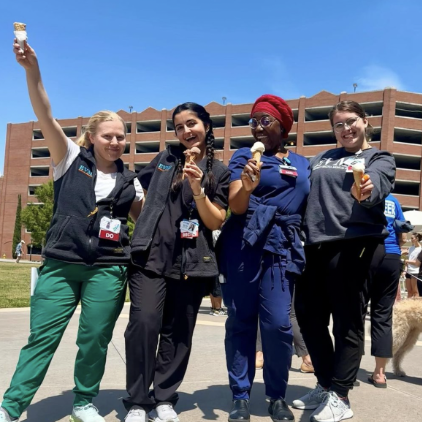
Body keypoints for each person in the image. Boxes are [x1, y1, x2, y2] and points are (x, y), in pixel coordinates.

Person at [0, 41, 144, 422]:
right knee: (42, 339)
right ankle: (11, 406)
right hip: (62, 265)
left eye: (120, 136)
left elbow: (148, 217)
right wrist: (32, 70)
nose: (115, 142)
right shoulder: (67, 159)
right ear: (92, 136)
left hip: (108, 268)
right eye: (108, 135)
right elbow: (43, 110)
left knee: (94, 340)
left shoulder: (132, 180)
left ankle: (83, 402)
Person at [123, 102, 230, 422]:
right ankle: (139, 401)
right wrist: (142, 226)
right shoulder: (164, 160)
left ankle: (165, 397)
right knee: (143, 325)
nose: (186, 131)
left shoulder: (219, 171)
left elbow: (216, 221)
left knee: (179, 331)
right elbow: (135, 196)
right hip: (149, 259)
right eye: (179, 127)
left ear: (207, 126)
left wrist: (198, 189)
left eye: (192, 123)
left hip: (191, 263)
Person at [293, 100, 395, 422]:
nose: (346, 129)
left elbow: (377, 183)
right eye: (338, 124)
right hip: (315, 245)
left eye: (351, 121)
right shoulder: (322, 158)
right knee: (308, 317)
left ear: (365, 122)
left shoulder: (378, 157)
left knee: (347, 322)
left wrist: (366, 189)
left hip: (355, 245)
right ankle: (325, 383)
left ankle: (340, 395)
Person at [217, 94, 311, 422]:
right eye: (253, 121)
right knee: (241, 322)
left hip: (281, 247)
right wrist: (246, 184)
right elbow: (236, 206)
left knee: (278, 325)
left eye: (264, 120)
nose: (257, 127)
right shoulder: (243, 156)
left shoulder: (301, 163)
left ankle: (276, 395)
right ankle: (240, 395)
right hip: (244, 244)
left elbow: (309, 206)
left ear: (282, 126)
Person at [368, 194, 407, 388]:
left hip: (366, 253)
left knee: (355, 311)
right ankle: (380, 374)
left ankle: (347, 370)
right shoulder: (393, 200)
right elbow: (402, 232)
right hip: (392, 256)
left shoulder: (360, 192)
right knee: (383, 314)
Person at [404, 233, 422, 297]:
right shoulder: (411, 248)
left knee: (415, 291)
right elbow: (407, 259)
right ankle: (408, 305)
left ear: (417, 239)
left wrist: (407, 261)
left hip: (415, 271)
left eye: (412, 238)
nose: (411, 240)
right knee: (409, 291)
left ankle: (416, 305)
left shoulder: (421, 249)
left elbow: (417, 262)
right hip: (408, 271)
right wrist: (405, 270)